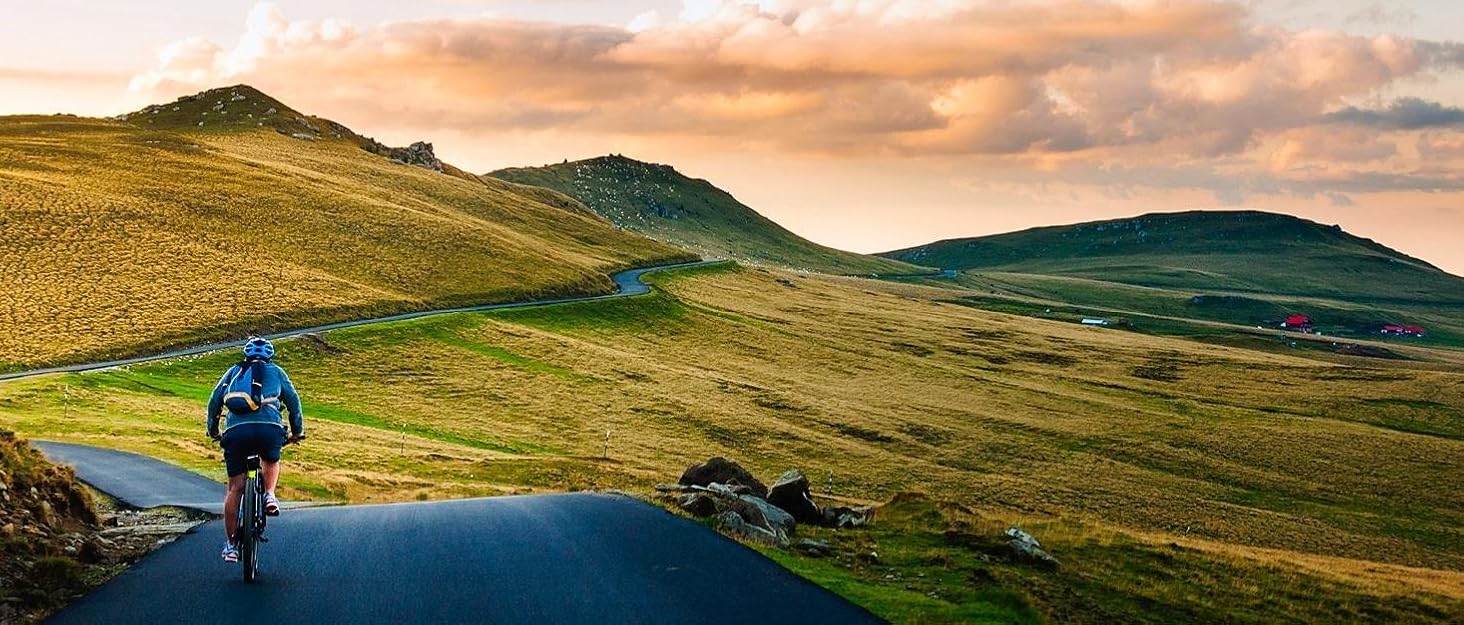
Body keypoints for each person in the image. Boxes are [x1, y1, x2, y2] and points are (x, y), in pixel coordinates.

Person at [206, 336, 304, 563]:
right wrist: (297, 432)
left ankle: (231, 545)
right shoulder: (277, 372)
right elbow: (293, 402)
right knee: (270, 459)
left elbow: (214, 401)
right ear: (270, 356)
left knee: (235, 489)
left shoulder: (233, 372)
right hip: (268, 429)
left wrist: (213, 431)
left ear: (246, 355)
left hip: (236, 432)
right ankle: (269, 495)